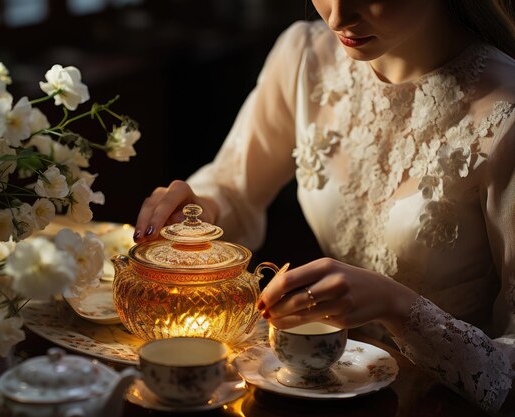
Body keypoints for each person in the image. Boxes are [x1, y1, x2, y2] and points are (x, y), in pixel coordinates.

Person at [133, 0, 515, 413]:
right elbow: (234, 186)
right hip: (321, 389)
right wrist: (195, 210)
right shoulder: (306, 56)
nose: (336, 17)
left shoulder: (505, 112)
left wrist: (399, 307)